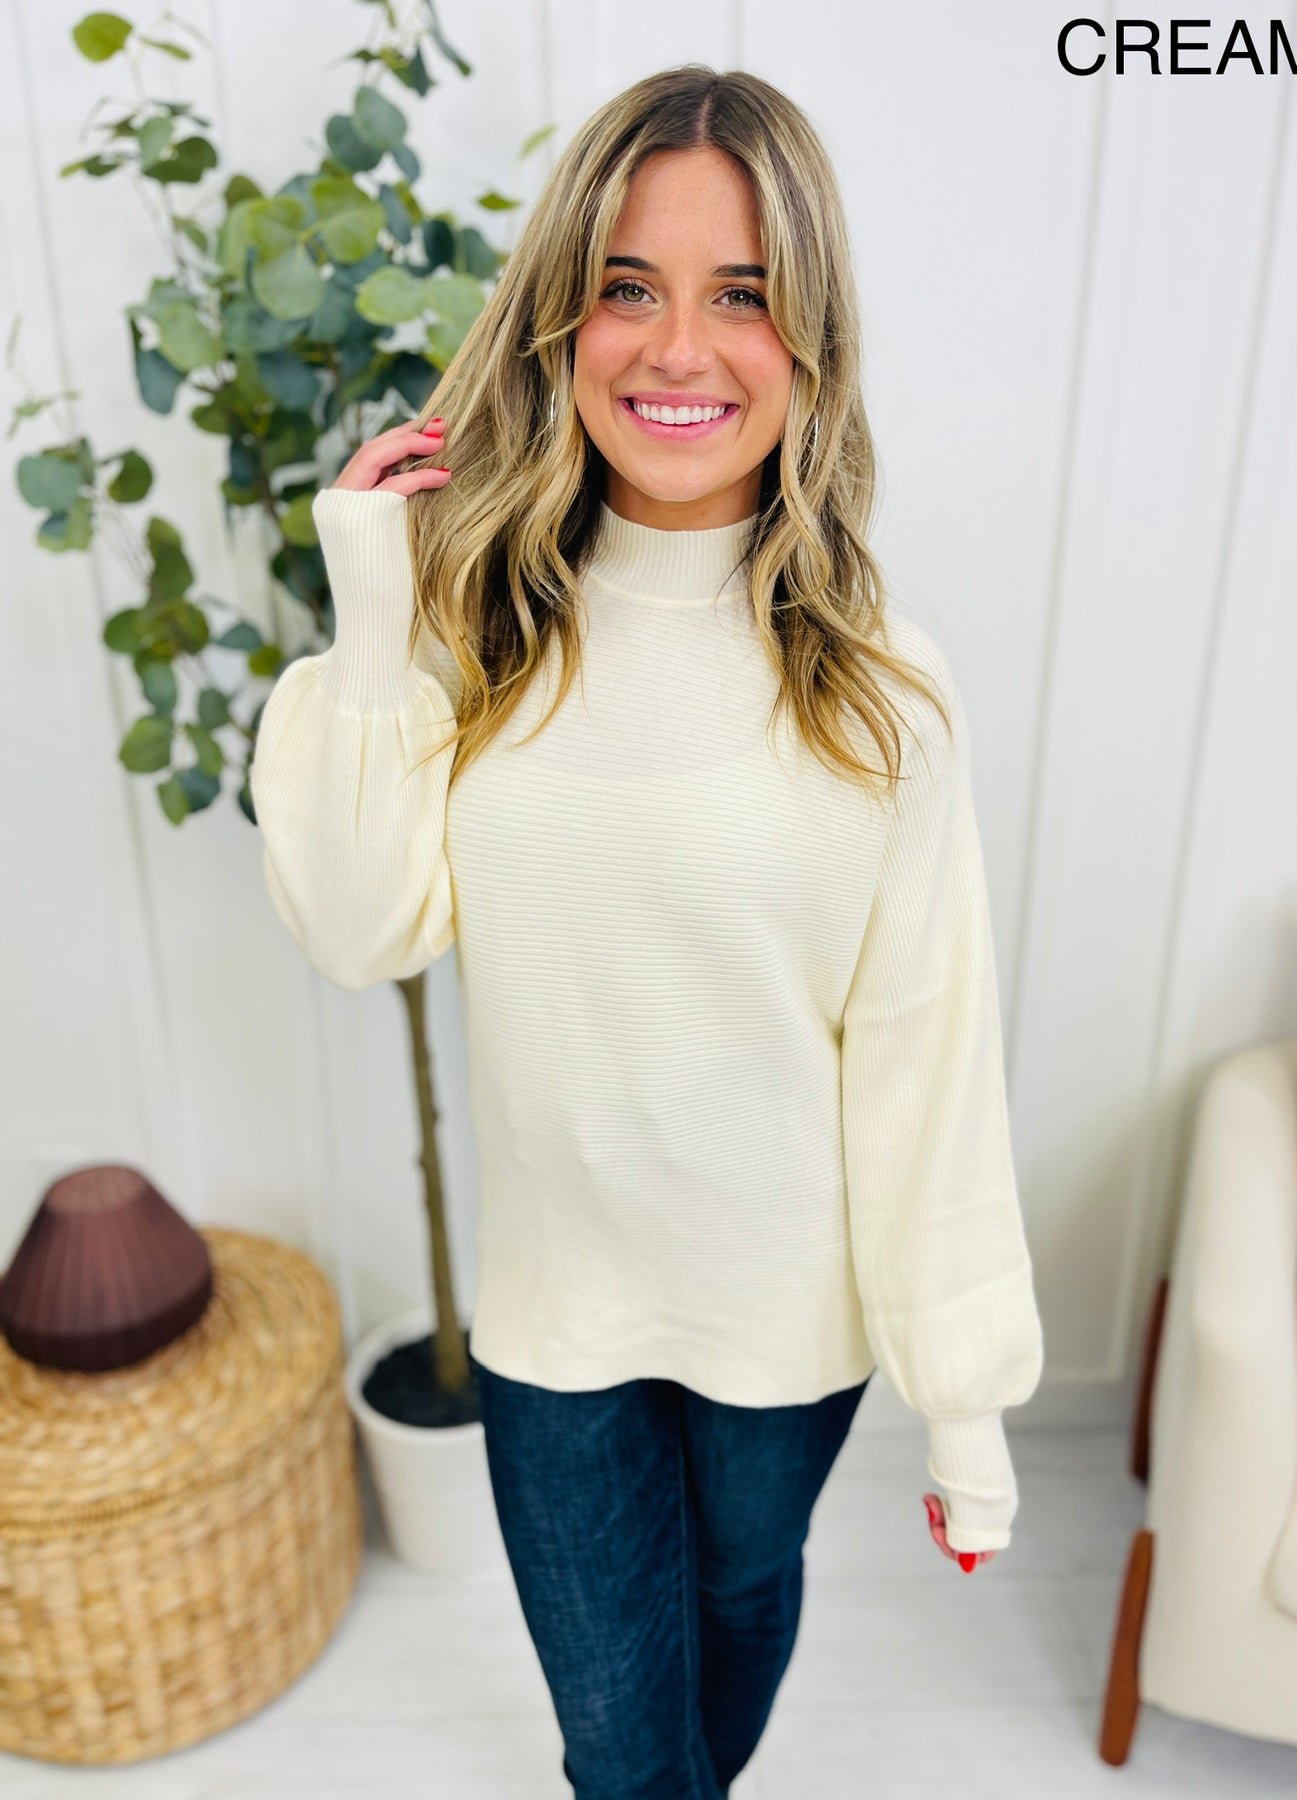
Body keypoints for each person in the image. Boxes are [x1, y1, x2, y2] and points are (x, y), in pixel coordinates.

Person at [251, 63, 1045, 1800]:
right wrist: (372, 604)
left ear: (810, 342)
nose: (678, 349)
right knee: (620, 1748)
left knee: (740, 1612)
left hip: (788, 1331)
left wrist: (966, 1404)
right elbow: (361, 930)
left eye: (741, 295)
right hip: (555, 1322)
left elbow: (927, 1050)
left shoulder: (884, 688)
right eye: (628, 286)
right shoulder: (478, 624)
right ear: (563, 316)